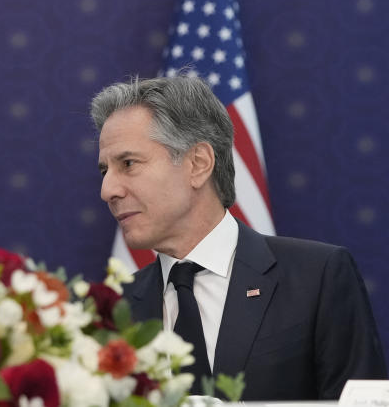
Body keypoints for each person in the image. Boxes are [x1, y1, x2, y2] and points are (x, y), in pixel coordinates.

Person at [91, 75, 386, 400]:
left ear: (198, 164)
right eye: (105, 170)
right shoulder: (107, 312)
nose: (108, 190)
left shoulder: (318, 278)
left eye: (128, 163)